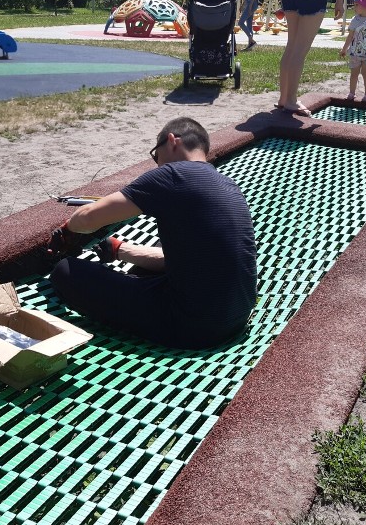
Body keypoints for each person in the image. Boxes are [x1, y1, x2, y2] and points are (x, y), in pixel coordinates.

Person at [47, 117, 257, 350]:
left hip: (189, 325)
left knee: (65, 271)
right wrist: (120, 250)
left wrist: (67, 229)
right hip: (233, 318)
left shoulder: (171, 175)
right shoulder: (228, 185)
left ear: (172, 140)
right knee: (151, 262)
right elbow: (188, 261)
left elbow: (89, 218)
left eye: (156, 156)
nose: (157, 164)